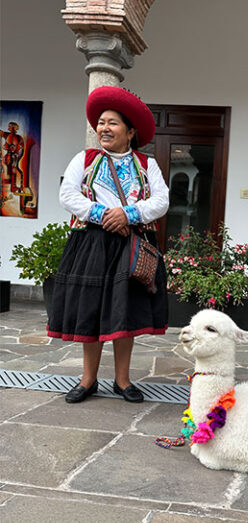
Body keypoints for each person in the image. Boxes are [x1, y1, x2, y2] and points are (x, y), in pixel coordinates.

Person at [50, 86, 169, 403]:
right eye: (101, 122)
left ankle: (123, 380)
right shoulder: (85, 159)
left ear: (130, 132)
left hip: (130, 244)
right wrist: (104, 214)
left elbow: (161, 201)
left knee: (125, 312)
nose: (103, 127)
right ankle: (87, 381)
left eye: (112, 122)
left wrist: (128, 214)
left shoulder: (147, 165)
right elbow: (68, 196)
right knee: (91, 310)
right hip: (92, 243)